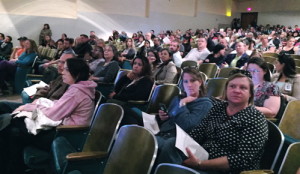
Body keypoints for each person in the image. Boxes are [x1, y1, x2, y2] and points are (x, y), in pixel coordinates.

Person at [156, 72, 268, 174]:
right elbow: (198, 132)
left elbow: (242, 159)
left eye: (243, 88)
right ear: (226, 90)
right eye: (232, 86)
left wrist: (200, 164)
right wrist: (185, 147)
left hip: (228, 169)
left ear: (250, 94)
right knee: (171, 144)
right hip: (203, 154)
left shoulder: (255, 118)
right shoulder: (219, 108)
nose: (236, 90)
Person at [0, 58, 96, 174]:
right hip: (66, 132)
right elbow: (58, 105)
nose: (62, 72)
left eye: (66, 69)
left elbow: (53, 114)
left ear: (78, 74)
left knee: (12, 127)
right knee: (13, 129)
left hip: (65, 135)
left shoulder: (77, 91)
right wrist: (38, 104)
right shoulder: (81, 88)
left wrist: (27, 107)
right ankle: (13, 168)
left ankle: (10, 168)